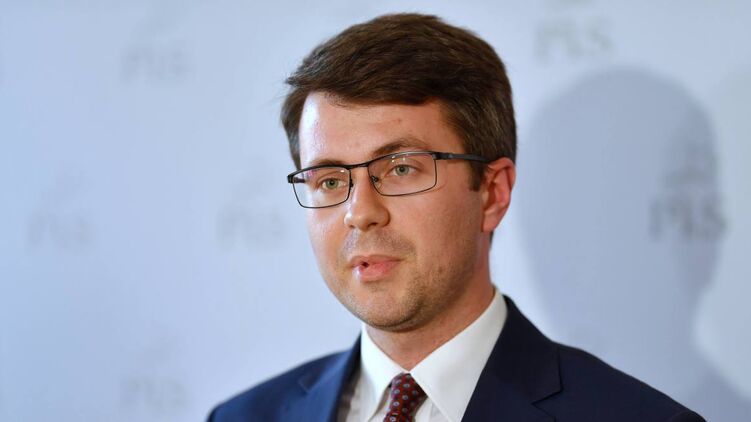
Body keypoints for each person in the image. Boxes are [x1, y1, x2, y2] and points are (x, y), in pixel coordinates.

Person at [208, 13, 705, 422]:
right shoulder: (242, 418)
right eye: (331, 180)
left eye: (400, 169)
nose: (360, 213)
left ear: (492, 193)